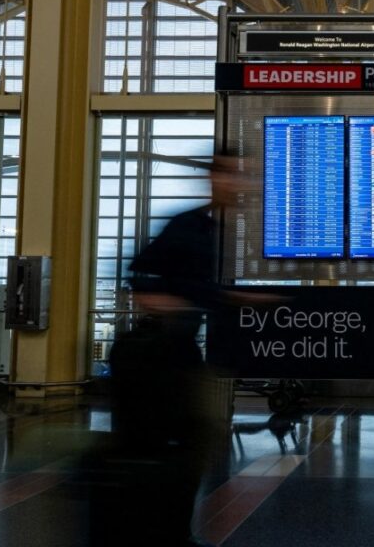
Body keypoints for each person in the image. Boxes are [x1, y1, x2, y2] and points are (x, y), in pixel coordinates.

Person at [94, 156, 243, 546]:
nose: (239, 184)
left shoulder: (212, 229)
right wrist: (162, 301)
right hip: (163, 357)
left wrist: (233, 297)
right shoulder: (188, 226)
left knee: (195, 439)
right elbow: (139, 272)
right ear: (214, 179)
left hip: (182, 351)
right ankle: (154, 528)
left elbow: (194, 288)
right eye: (230, 174)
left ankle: (170, 528)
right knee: (173, 439)